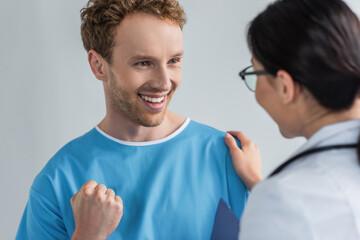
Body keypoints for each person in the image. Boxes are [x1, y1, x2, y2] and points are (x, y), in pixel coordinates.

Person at [15, 0, 253, 239]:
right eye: (143, 63)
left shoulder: (228, 158)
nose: (164, 82)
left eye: (173, 61)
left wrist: (259, 186)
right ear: (98, 65)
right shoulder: (57, 180)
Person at [224, 0, 360, 239]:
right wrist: (257, 184)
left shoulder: (285, 199)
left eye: (255, 73)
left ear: (285, 86)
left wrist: (268, 196)